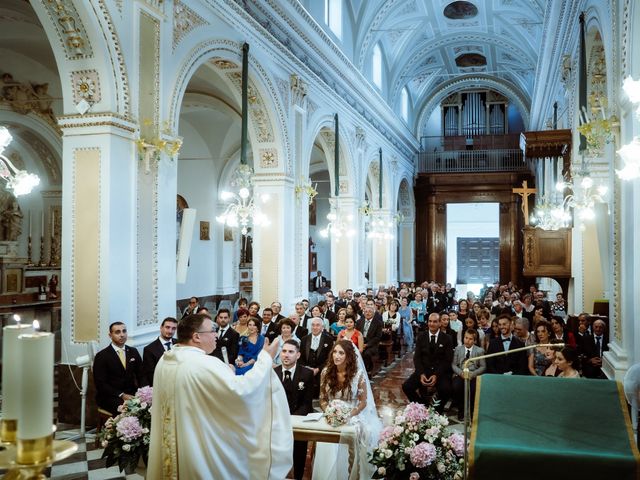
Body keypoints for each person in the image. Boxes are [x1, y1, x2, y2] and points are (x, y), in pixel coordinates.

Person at [147, 314, 292, 479]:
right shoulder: (203, 363)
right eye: (212, 330)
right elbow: (243, 391)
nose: (216, 335)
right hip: (198, 451)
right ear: (196, 337)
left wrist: (224, 376)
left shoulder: (165, 361)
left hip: (177, 445)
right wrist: (265, 358)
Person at [314, 340, 382, 480]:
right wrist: (330, 412)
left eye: (341, 353)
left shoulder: (358, 374)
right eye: (335, 352)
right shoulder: (326, 372)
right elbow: (322, 399)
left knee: (359, 432)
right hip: (331, 414)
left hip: (353, 413)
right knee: (325, 436)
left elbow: (363, 403)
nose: (336, 356)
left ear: (349, 356)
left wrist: (347, 415)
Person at [275, 339, 314, 480]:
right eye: (284, 351)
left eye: (291, 352)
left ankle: (298, 476)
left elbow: (307, 404)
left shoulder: (306, 374)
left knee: (298, 453)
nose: (286, 355)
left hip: (298, 422)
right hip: (277, 422)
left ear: (298, 355)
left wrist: (292, 420)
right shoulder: (274, 373)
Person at [402, 313, 453, 413]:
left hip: (440, 372)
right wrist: (421, 374)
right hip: (424, 370)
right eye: (430, 321)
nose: (432, 324)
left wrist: (436, 375)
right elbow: (417, 358)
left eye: (435, 321)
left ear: (439, 323)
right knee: (407, 387)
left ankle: (436, 410)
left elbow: (447, 360)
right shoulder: (421, 336)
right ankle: (423, 407)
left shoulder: (447, 338)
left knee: (446, 390)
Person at [92, 322, 143, 415]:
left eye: (124, 331)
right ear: (110, 335)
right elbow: (100, 383)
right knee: (128, 409)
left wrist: (143, 392)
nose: (122, 335)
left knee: (146, 406)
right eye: (117, 332)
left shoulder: (133, 352)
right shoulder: (102, 356)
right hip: (109, 396)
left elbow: (141, 374)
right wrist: (122, 395)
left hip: (131, 393)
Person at [451, 329, 485, 420]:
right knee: (457, 387)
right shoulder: (458, 349)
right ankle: (461, 411)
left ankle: (472, 412)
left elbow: (483, 367)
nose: (467, 340)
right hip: (461, 374)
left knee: (474, 389)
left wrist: (473, 374)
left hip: (473, 375)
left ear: (475, 341)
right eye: (466, 338)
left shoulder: (479, 351)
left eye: (470, 339)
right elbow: (454, 365)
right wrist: (460, 373)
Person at [300, 317, 334, 397]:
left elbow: (330, 358)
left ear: (322, 327)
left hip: (322, 369)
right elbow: (300, 357)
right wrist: (306, 368)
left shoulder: (328, 340)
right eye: (313, 325)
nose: (315, 327)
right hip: (306, 368)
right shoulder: (304, 339)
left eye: (317, 325)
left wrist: (318, 369)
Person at [141, 317, 177, 386]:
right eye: (167, 327)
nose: (170, 331)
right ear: (161, 328)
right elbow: (150, 374)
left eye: (173, 328)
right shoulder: (149, 349)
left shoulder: (179, 343)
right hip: (161, 385)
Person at [356, 305, 383, 373]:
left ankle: (366, 370)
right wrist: (360, 343)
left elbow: (378, 337)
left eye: (370, 312)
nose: (367, 313)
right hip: (360, 342)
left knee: (366, 354)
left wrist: (367, 345)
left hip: (371, 344)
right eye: (366, 312)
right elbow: (356, 333)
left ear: (373, 313)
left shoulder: (378, 323)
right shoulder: (359, 321)